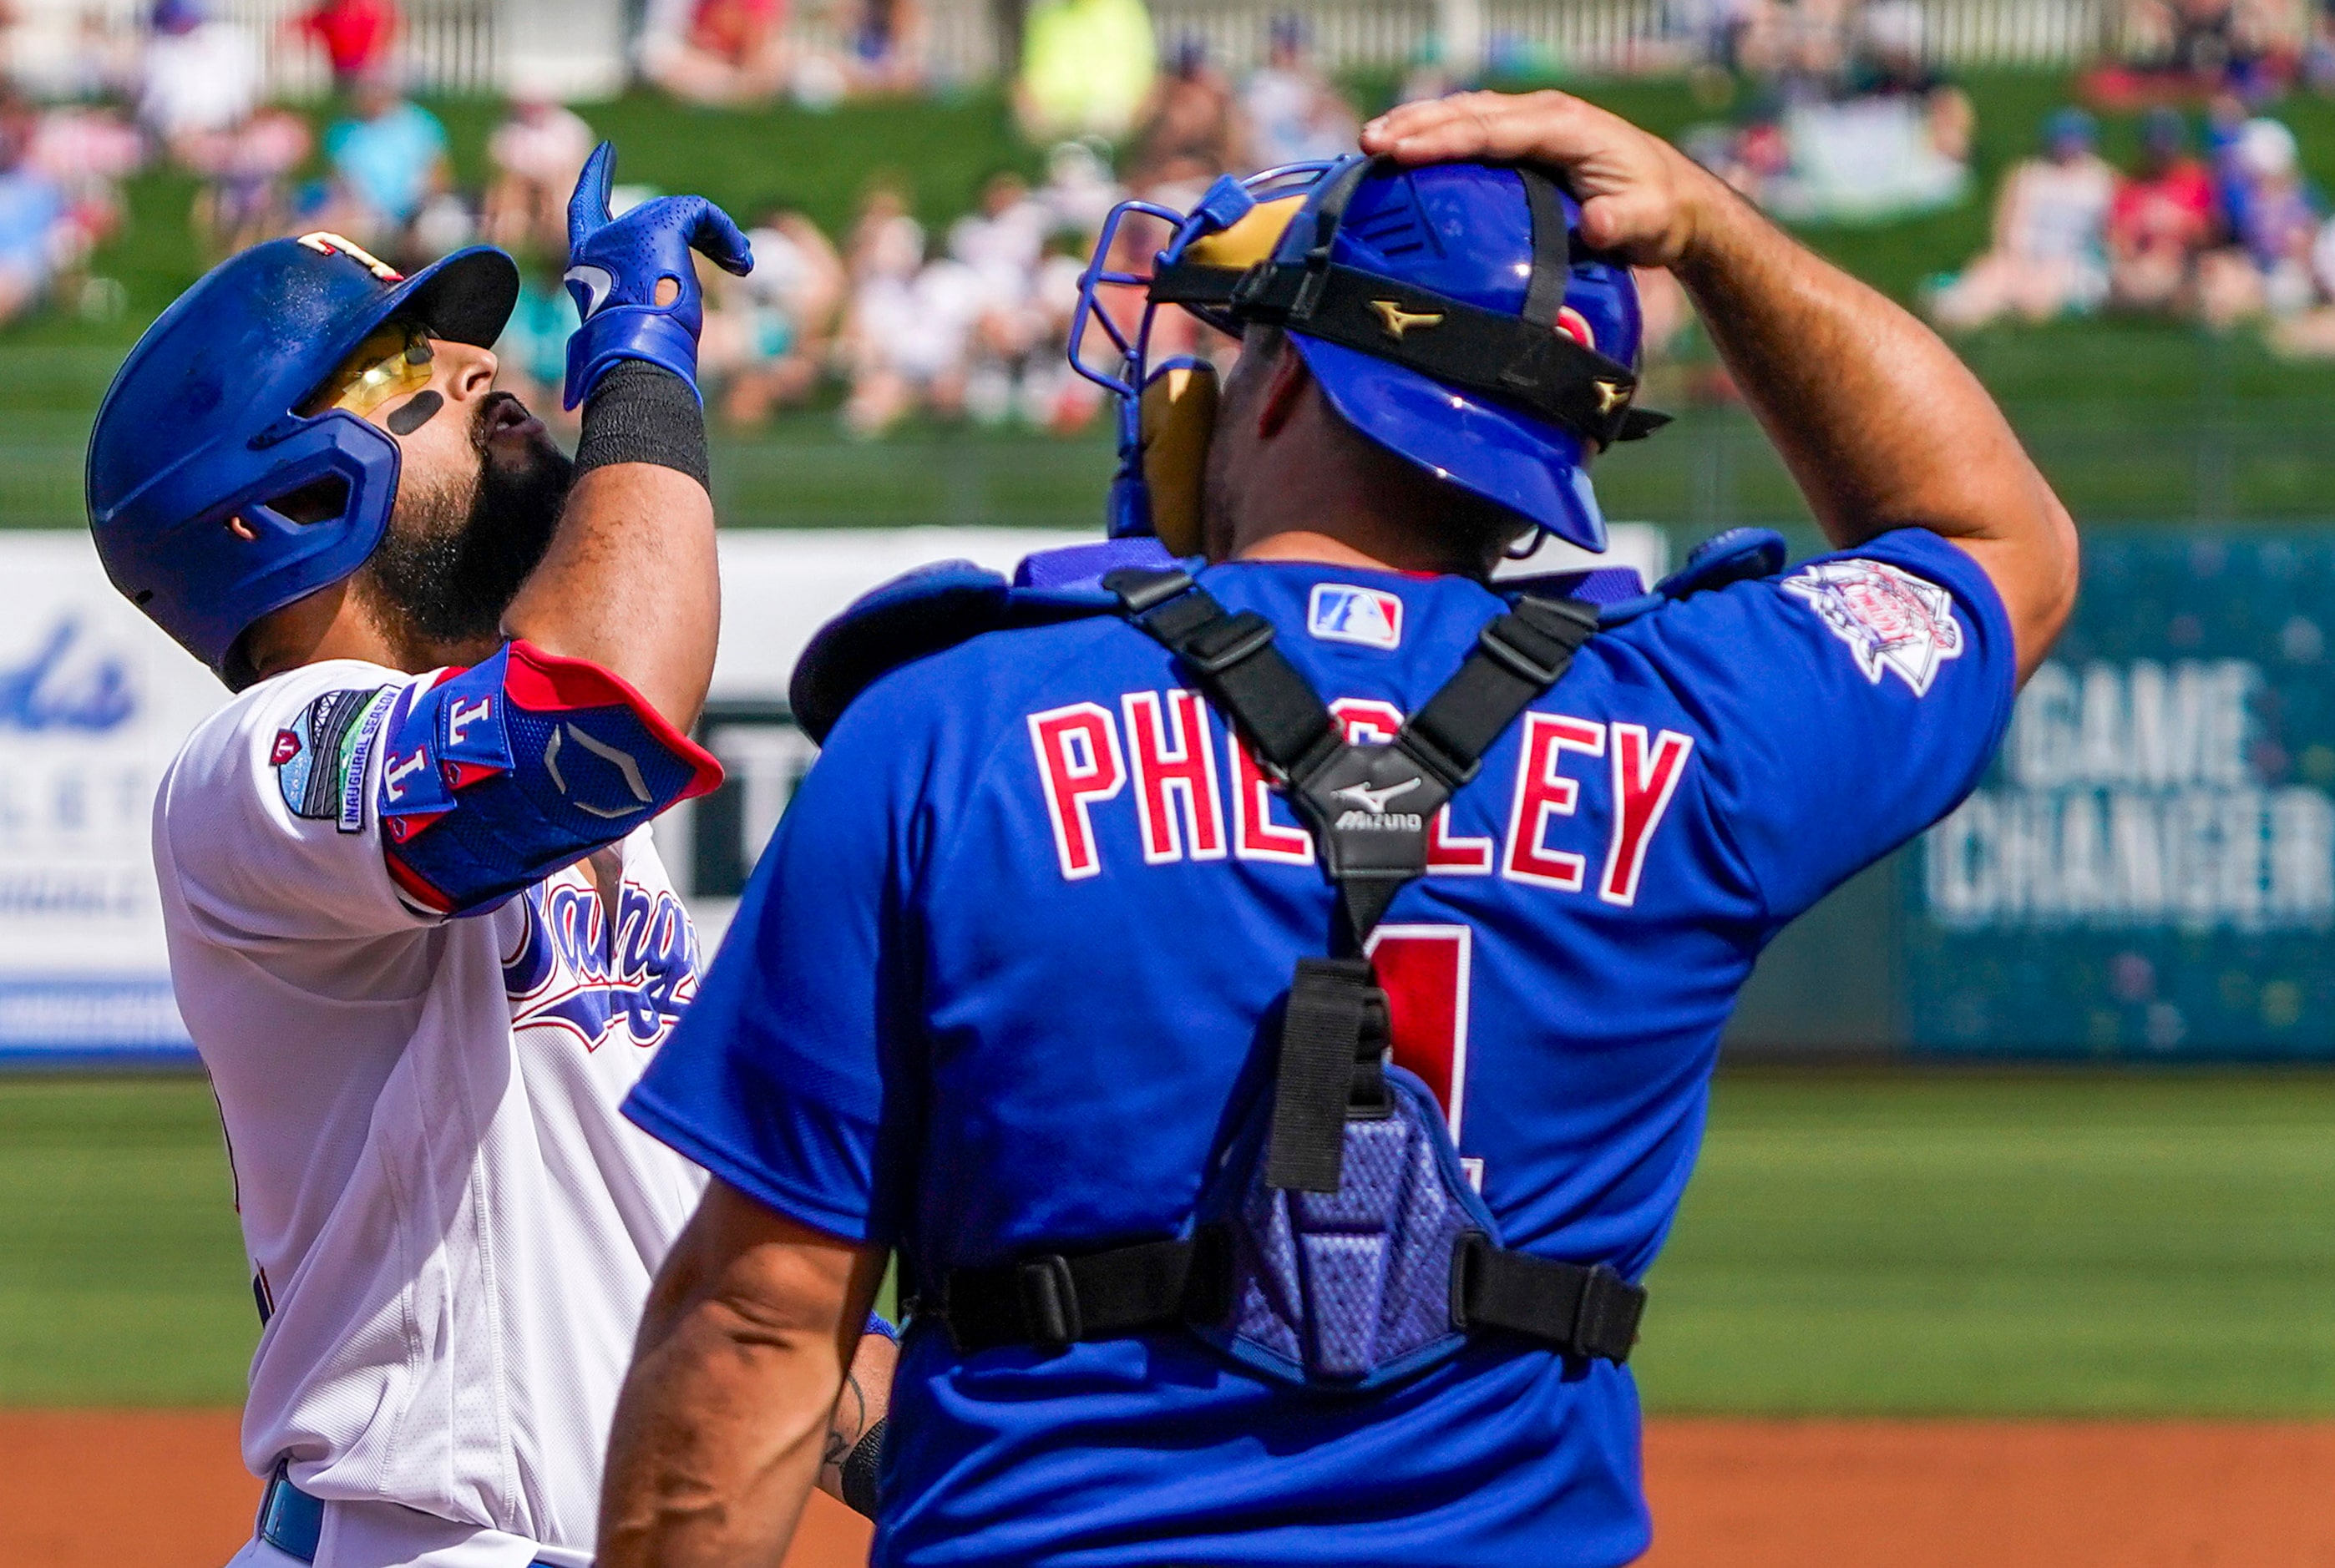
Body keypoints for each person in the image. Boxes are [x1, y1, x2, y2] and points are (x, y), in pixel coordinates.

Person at [595, 89, 2078, 1566]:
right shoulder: (1704, 723)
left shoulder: (950, 724)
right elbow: (1995, 543)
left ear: (1292, 377)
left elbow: (754, 1327)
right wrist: (1701, 227)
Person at [84, 149, 894, 1568]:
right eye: (393, 360)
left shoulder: (595, 841)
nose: (468, 364)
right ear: (277, 503)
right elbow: (600, 711)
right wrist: (642, 363)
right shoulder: (260, 767)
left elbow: (713, 1289)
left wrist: (1062, 1481)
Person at [1928, 108, 2115, 330]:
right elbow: (2007, 224)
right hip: (2023, 257)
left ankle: (2003, 307)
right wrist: (2013, 257)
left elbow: (2110, 235)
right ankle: (1960, 309)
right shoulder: (2028, 175)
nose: (2068, 147)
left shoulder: (2104, 180)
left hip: (2071, 263)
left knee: (2036, 301)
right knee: (1988, 279)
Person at [321, 72, 451, 255]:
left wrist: (416, 213)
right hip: (365, 211)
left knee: (438, 229)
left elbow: (439, 177)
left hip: (419, 208)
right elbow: (337, 184)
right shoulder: (343, 131)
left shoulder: (419, 124)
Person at [2109, 106, 2217, 313]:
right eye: (2154, 147)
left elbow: (2209, 234)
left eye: (2166, 146)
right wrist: (2139, 232)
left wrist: (2179, 223)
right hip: (2145, 263)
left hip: (2186, 261)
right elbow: (2119, 238)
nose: (2160, 154)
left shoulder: (2195, 178)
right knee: (2129, 284)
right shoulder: (2132, 183)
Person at [1240, 17, 1360, 170]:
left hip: (1327, 168)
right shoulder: (1262, 85)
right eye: (1286, 47)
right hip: (1286, 174)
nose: (1292, 53)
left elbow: (1351, 130)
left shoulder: (1316, 83)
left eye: (1295, 46)